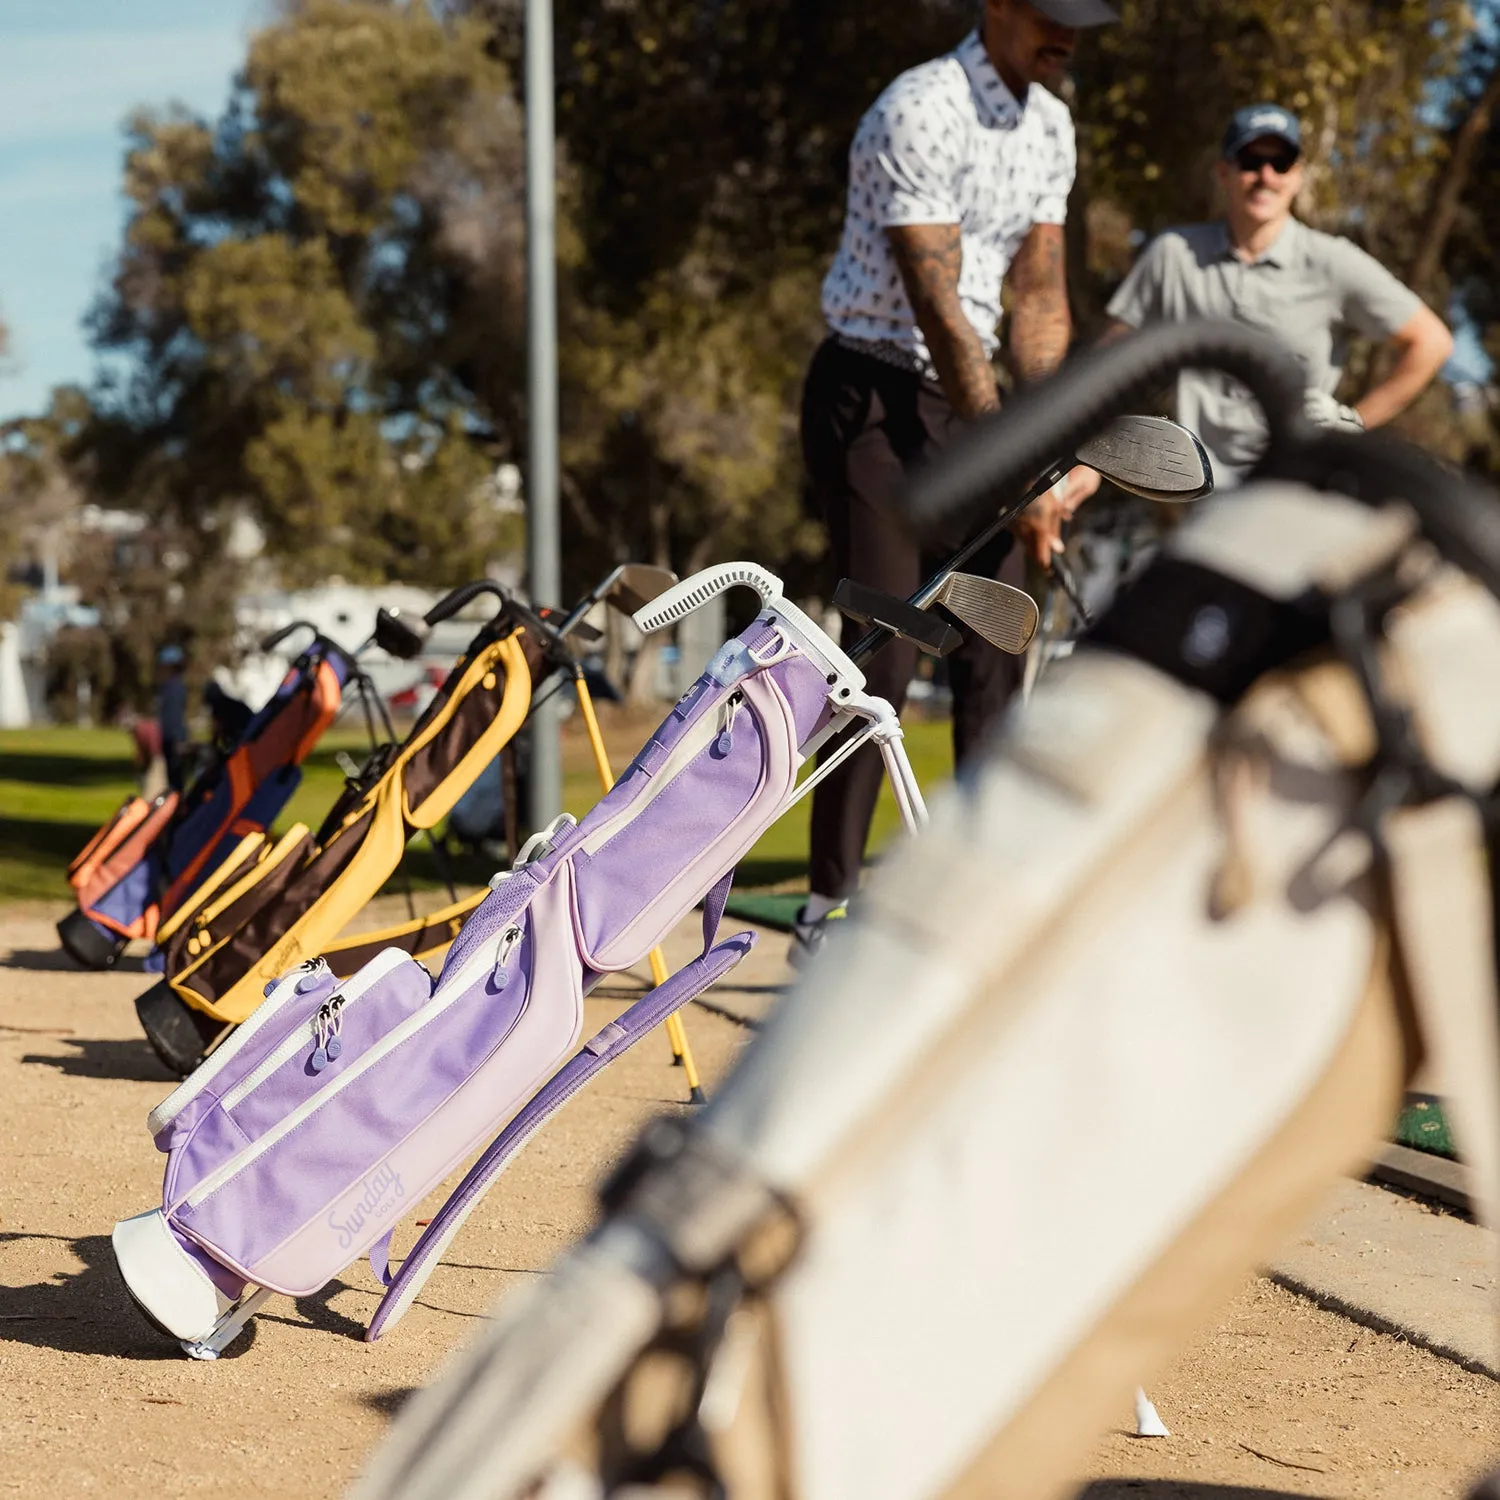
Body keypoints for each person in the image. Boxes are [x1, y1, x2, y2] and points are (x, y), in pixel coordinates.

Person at [794, 0, 1119, 962]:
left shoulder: (1052, 124)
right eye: (1051, 16)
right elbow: (940, 311)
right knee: (884, 655)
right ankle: (829, 909)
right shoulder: (919, 108)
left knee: (995, 640)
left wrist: (1048, 444)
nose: (1068, 36)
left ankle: (972, 915)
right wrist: (1016, 462)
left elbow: (1038, 294)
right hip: (877, 395)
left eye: (1080, 20)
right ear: (998, 6)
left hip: (977, 408)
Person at [1064, 102, 1454, 501]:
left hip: (1295, 496)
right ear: (1224, 172)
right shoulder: (1174, 253)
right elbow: (1109, 360)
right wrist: (1091, 457)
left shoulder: (1332, 262)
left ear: (1297, 176)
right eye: (1250, 160)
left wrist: (1353, 421)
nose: (1265, 176)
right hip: (1194, 496)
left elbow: (1432, 342)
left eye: (1280, 162)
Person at [156, 644, 189, 792]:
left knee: (176, 785)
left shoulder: (174, 687)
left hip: (175, 742)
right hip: (170, 740)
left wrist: (177, 740)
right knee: (173, 782)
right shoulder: (169, 686)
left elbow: (174, 716)